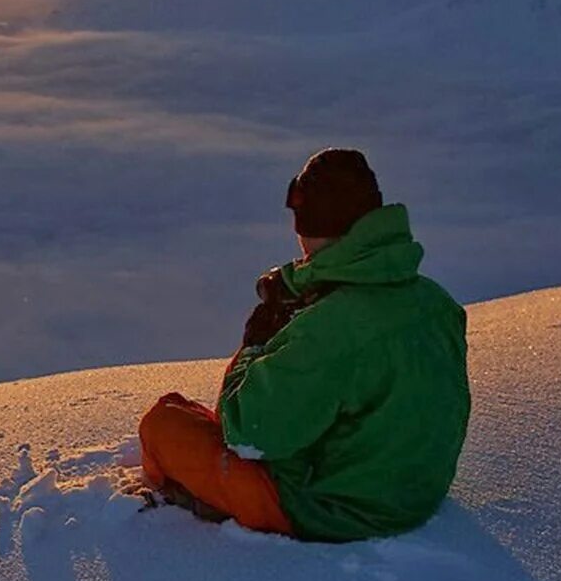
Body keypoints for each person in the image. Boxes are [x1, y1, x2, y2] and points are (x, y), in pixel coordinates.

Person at [138, 148, 470, 541]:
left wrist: (253, 348)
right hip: (415, 493)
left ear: (307, 223)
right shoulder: (436, 303)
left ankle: (189, 501)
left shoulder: (331, 329)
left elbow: (247, 432)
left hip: (332, 510)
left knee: (164, 423)